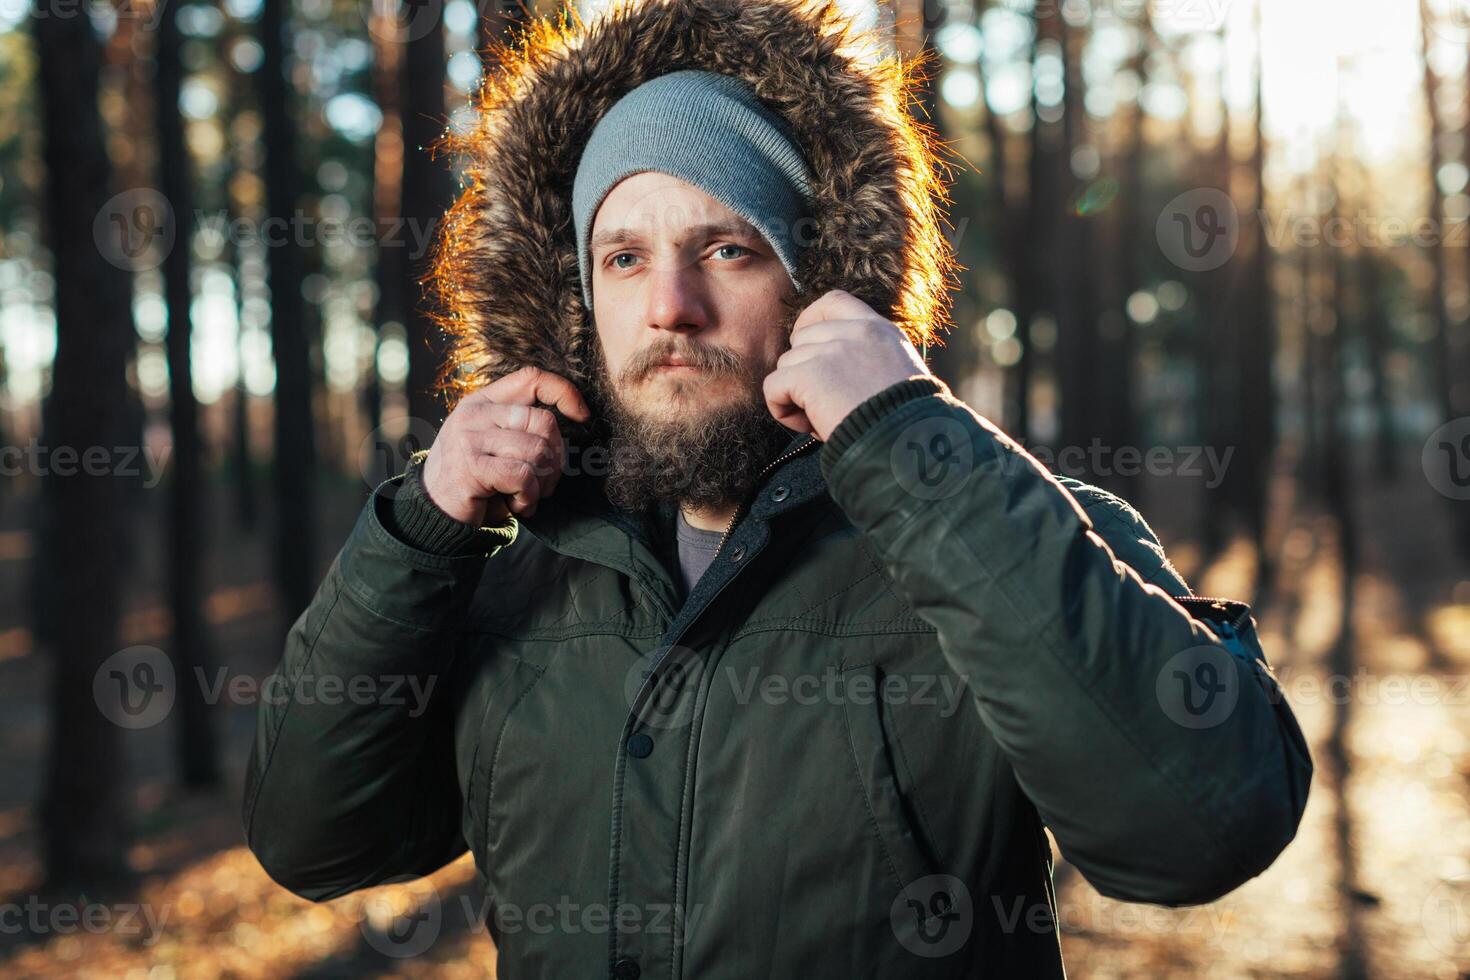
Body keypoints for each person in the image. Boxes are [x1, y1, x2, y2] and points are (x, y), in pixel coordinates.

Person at [242, 1, 1313, 976]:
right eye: (623, 257)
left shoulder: (1005, 533)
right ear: (577, 302)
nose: (671, 303)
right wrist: (418, 534)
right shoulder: (513, 579)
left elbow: (1200, 827)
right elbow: (315, 839)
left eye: (727, 246)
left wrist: (907, 442)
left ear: (819, 279)